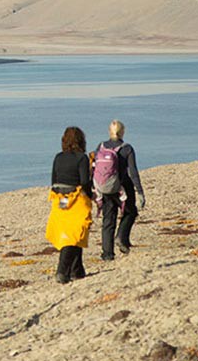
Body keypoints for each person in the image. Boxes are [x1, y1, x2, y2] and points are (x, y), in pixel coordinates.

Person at [47, 126, 94, 284]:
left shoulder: (58, 157)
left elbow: (53, 180)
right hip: (76, 200)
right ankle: (62, 270)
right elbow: (85, 181)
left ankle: (77, 270)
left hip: (59, 200)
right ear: (81, 141)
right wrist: (90, 195)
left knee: (71, 234)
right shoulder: (82, 158)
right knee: (74, 236)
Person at [93, 119, 145, 259]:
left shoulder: (101, 146)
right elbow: (133, 172)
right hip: (123, 187)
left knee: (108, 220)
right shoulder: (127, 148)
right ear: (123, 132)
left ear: (109, 131)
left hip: (104, 188)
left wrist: (95, 188)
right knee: (130, 212)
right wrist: (140, 191)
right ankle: (121, 237)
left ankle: (107, 254)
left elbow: (94, 167)